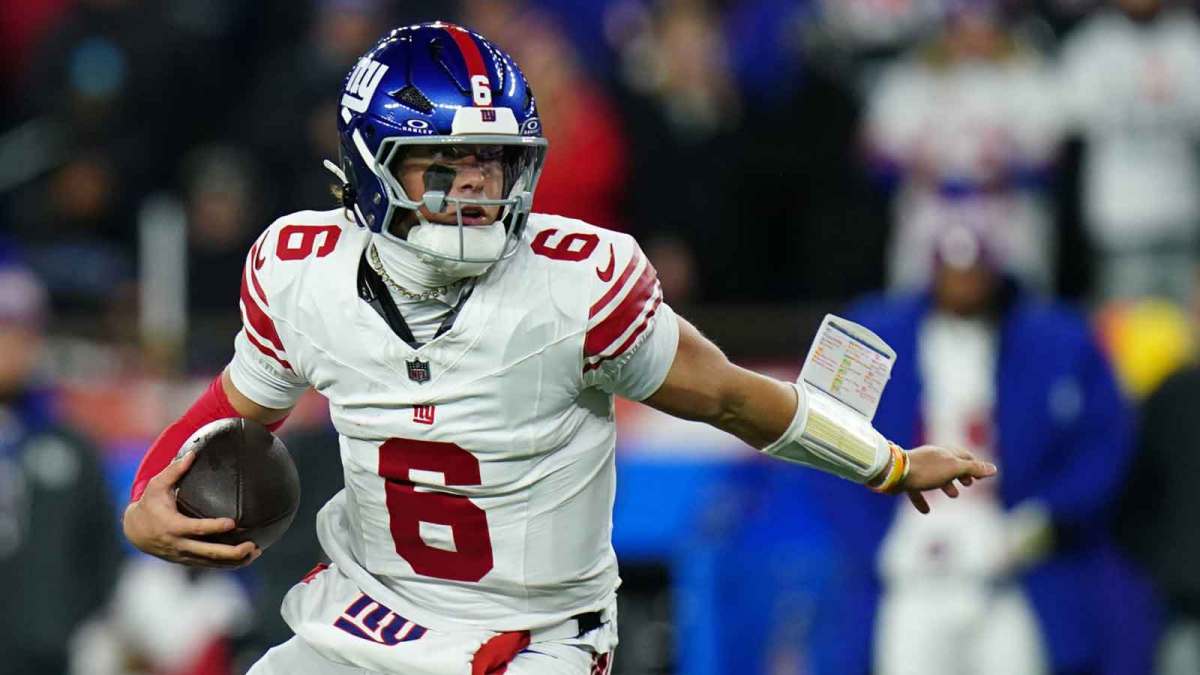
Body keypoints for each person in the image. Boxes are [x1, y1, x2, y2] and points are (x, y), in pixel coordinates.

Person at [121, 22, 995, 675]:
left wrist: (882, 461)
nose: (475, 188)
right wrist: (145, 495)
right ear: (367, 171)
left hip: (531, 641)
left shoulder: (577, 286)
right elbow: (235, 407)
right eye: (444, 164)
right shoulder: (300, 271)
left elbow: (728, 394)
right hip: (365, 616)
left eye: (493, 163)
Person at [824, 223, 1155, 675]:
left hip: (1006, 565)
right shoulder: (879, 330)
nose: (964, 285)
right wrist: (873, 542)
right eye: (953, 271)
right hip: (910, 566)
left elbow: (1103, 440)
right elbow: (826, 437)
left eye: (975, 271)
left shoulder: (1052, 339)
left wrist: (1042, 522)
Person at [0, 261, 123, 674]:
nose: (10, 345)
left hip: (45, 650)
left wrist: (71, 624)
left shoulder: (69, 446)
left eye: (22, 331)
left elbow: (104, 548)